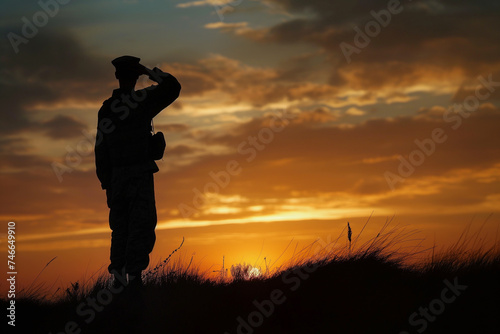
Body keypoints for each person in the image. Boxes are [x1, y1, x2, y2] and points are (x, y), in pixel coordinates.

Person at [94, 55, 181, 287]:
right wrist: (150, 72)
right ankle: (135, 280)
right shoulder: (141, 101)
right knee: (140, 225)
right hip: (139, 174)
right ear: (136, 76)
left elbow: (100, 149)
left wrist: (107, 182)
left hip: (116, 179)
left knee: (120, 228)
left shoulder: (107, 109)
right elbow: (173, 87)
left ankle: (119, 280)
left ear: (116, 76)